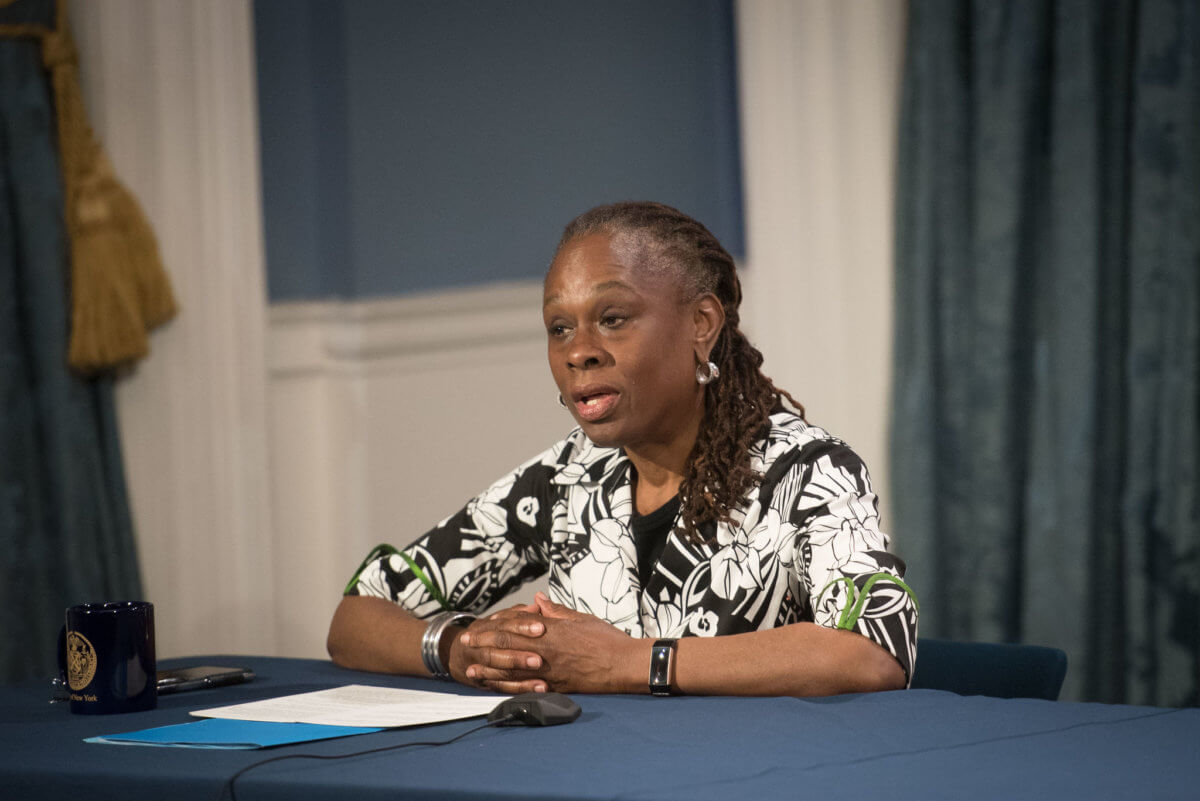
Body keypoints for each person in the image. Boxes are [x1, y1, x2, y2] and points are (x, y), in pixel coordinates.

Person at [327, 201, 917, 697]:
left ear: (701, 323)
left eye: (612, 318)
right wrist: (459, 648)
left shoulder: (808, 471)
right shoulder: (566, 477)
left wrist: (631, 662)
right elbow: (357, 616)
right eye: (559, 328)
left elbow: (873, 652)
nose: (577, 351)